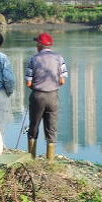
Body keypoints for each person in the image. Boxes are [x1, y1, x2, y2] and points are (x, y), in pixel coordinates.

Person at [25, 32, 68, 161]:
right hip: (53, 96)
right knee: (52, 129)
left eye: (37, 43)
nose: (36, 46)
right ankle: (50, 161)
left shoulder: (33, 59)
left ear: (40, 45)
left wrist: (36, 87)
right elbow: (62, 81)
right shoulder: (59, 58)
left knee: (33, 127)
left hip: (37, 96)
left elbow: (28, 83)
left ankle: (32, 158)